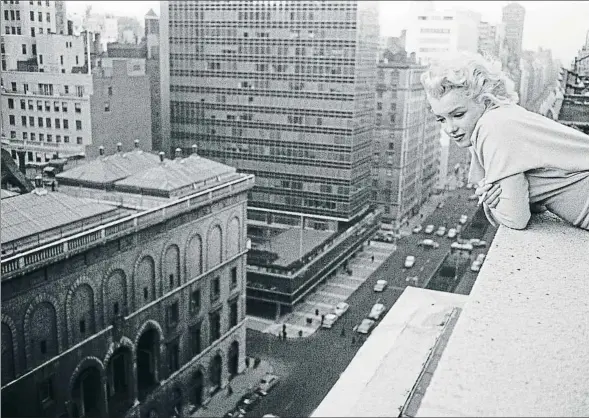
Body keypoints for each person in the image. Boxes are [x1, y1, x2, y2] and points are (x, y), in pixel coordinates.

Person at [421, 52, 589, 230]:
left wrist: (490, 201)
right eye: (441, 119)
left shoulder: (493, 126)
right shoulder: (504, 116)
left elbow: (515, 218)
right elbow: (540, 200)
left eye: (458, 115)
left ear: (485, 100)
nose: (450, 128)